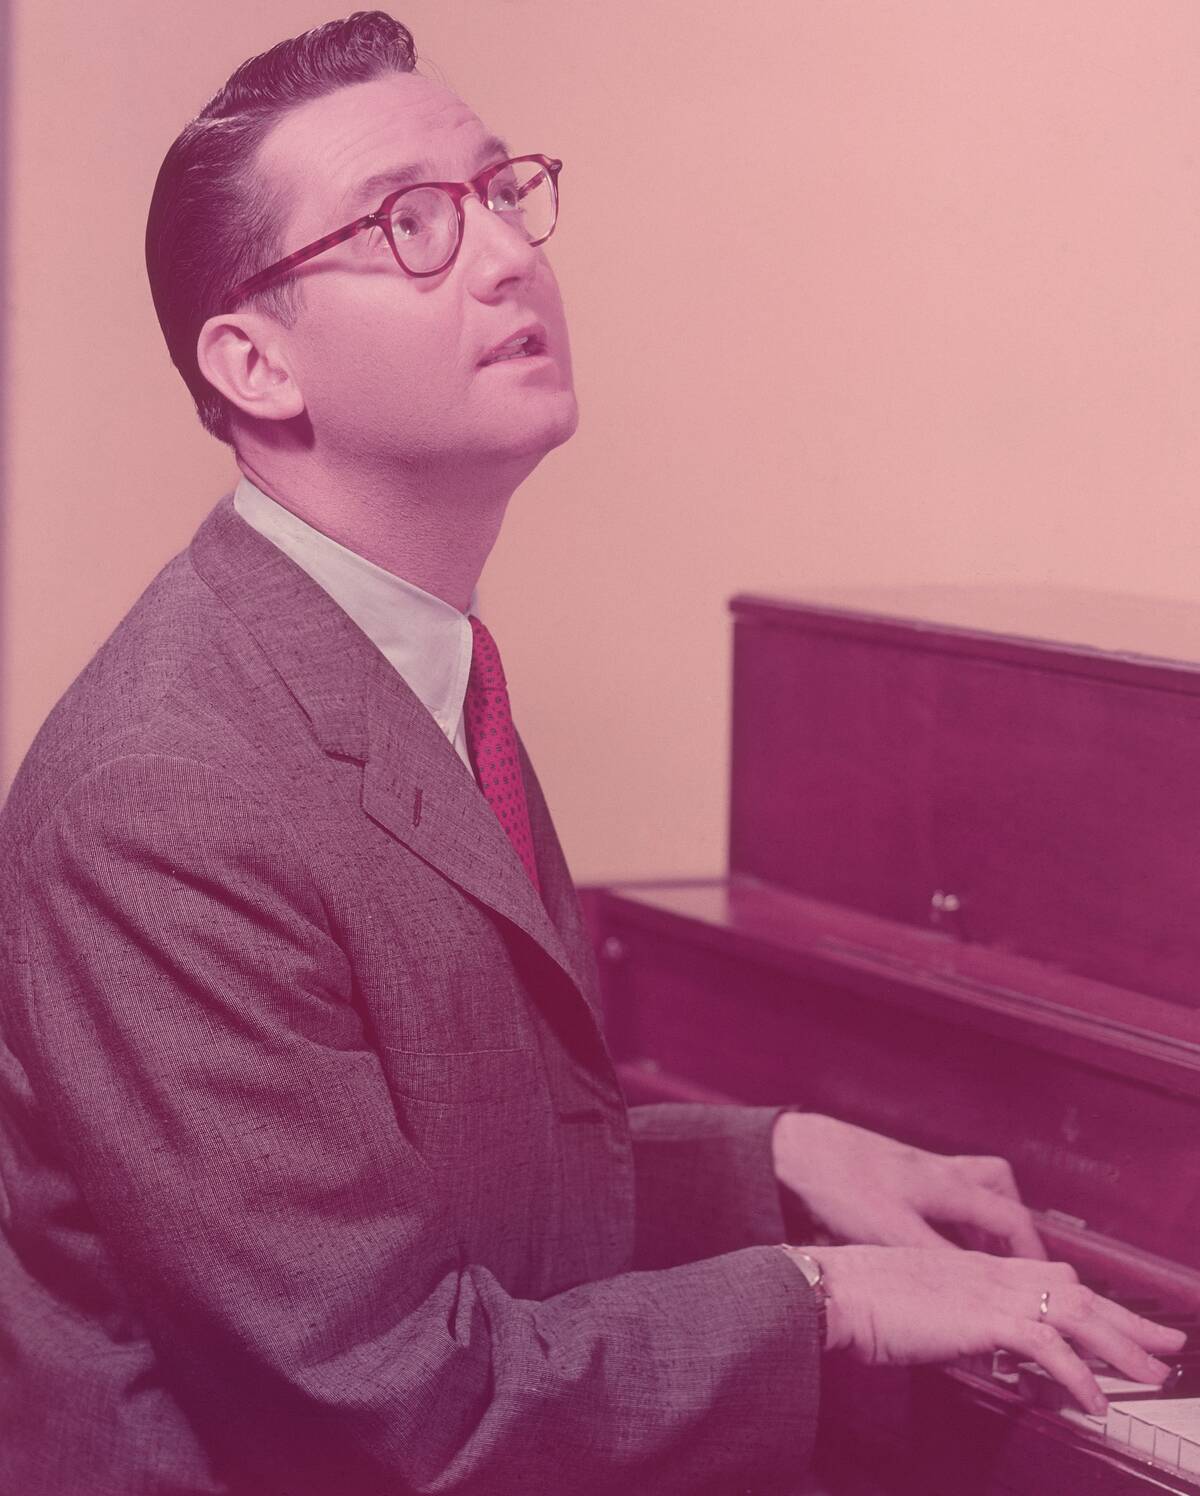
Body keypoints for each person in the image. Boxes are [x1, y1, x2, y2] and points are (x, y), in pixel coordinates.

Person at [0, 12, 1184, 1495]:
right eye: (412, 223)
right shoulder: (163, 797)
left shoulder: (399, 657)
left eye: (504, 192)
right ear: (255, 362)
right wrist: (833, 1296)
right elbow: (393, 1405)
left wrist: (775, 1160)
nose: (509, 255)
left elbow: (462, 1180)